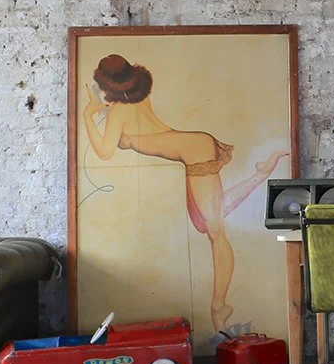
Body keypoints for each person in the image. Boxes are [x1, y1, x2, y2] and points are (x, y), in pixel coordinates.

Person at [80, 53, 288, 332]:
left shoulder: (119, 113)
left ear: (106, 85)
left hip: (194, 150)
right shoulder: (138, 101)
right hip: (194, 143)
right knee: (213, 221)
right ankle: (261, 173)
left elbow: (104, 152)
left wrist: (87, 114)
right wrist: (103, 108)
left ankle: (219, 305)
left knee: (216, 230)